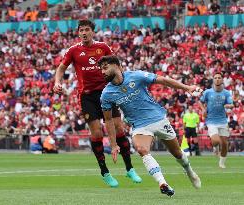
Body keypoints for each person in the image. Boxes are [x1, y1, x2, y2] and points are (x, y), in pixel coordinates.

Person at [53, 20, 141, 187]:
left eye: (87, 30)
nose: (84, 33)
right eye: (81, 30)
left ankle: (129, 168)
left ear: (93, 32)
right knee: (97, 133)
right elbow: (61, 68)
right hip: (87, 97)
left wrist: (121, 84)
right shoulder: (73, 50)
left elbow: (117, 66)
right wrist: (57, 82)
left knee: (118, 128)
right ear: (78, 33)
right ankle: (105, 172)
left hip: (107, 93)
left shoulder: (103, 47)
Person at [98, 55, 201, 197]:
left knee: (177, 153)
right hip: (140, 127)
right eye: (101, 69)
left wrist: (186, 87)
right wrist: (114, 144)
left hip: (158, 119)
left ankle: (189, 170)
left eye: (105, 68)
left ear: (116, 65)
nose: (102, 72)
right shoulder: (106, 94)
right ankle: (162, 183)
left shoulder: (136, 76)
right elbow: (108, 120)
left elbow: (163, 80)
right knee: (141, 149)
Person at [200, 73, 234, 168]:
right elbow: (200, 102)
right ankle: (215, 147)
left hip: (223, 120)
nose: (217, 79)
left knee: (224, 144)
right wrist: (203, 109)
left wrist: (229, 106)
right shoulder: (207, 92)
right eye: (215, 78)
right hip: (211, 120)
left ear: (222, 80)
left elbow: (231, 104)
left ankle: (222, 163)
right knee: (216, 140)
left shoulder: (226, 93)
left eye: (219, 78)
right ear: (213, 80)